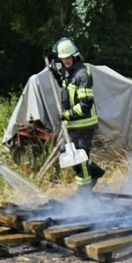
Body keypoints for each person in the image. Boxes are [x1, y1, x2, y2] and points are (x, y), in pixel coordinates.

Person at [49, 37, 105, 194]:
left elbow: (86, 104)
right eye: (63, 59)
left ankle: (84, 191)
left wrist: (67, 114)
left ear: (74, 56)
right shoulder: (69, 73)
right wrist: (57, 76)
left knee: (80, 157)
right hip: (72, 124)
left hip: (84, 124)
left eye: (68, 58)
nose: (65, 61)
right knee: (69, 154)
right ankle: (95, 172)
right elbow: (67, 90)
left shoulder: (82, 74)